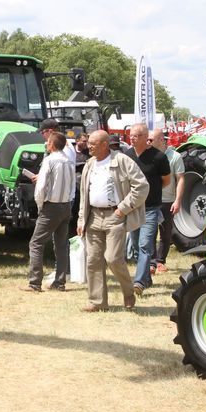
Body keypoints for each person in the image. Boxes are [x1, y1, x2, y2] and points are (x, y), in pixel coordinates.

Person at [77, 130, 148, 312]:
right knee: (93, 260)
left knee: (113, 258)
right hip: (93, 217)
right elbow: (84, 195)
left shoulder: (122, 161)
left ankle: (128, 292)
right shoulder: (89, 164)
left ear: (104, 145)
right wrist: (81, 219)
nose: (89, 146)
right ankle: (97, 302)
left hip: (115, 216)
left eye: (93, 143)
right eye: (89, 143)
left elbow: (141, 186)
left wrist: (122, 209)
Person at [22, 132, 75, 292]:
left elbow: (41, 187)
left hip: (51, 205)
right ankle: (60, 282)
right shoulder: (69, 161)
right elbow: (72, 187)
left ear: (52, 145)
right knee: (61, 244)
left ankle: (34, 282)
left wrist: (40, 206)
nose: (46, 144)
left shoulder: (49, 160)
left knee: (36, 243)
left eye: (48, 142)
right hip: (65, 204)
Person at [125, 123, 171, 296]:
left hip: (151, 208)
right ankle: (147, 279)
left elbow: (166, 180)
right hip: (133, 208)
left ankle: (138, 283)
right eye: (130, 135)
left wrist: (153, 192)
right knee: (137, 246)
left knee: (145, 245)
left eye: (136, 135)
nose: (132, 138)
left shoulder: (158, 157)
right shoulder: (127, 155)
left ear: (145, 137)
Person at [151, 128, 184, 273]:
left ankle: (160, 261)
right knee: (149, 232)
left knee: (165, 232)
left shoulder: (175, 157)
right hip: (151, 200)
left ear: (162, 140)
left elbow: (181, 179)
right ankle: (151, 262)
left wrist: (177, 200)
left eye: (151, 139)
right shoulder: (147, 155)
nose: (148, 142)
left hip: (167, 200)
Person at [70, 132, 90, 237]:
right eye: (84, 141)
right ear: (77, 140)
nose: (86, 143)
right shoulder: (71, 151)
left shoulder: (88, 153)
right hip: (71, 187)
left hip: (83, 187)